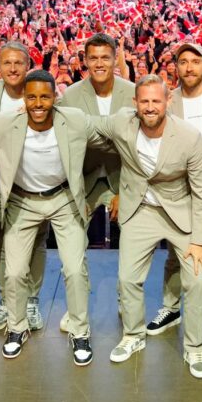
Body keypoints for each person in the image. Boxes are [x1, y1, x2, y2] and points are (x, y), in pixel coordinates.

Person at [91, 75, 202, 378]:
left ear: (168, 102)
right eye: (144, 101)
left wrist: (199, 240)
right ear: (135, 103)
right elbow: (88, 124)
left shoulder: (188, 136)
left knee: (196, 281)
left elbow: (201, 191)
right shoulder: (122, 122)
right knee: (128, 278)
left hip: (180, 211)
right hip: (140, 209)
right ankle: (133, 336)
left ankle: (194, 347)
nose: (150, 107)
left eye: (156, 101)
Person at [0, 70, 101, 365]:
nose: (38, 103)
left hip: (63, 200)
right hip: (22, 201)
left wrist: (96, 188)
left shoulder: (73, 119)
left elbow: (110, 134)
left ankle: (79, 330)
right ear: (23, 97)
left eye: (44, 96)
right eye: (31, 96)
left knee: (74, 269)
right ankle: (16, 327)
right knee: (15, 271)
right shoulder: (5, 123)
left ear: (54, 98)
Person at [148, 41, 202, 336]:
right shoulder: (168, 100)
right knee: (177, 251)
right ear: (176, 67)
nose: (189, 67)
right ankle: (171, 307)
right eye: (183, 61)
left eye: (195, 61)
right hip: (179, 189)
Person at [0, 42, 47, 334]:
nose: (13, 69)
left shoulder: (39, 91)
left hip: (32, 177)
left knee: (36, 242)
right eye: (7, 63)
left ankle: (31, 299)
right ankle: (6, 299)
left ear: (28, 65)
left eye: (19, 63)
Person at [56, 32, 135, 252]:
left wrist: (125, 191)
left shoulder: (132, 93)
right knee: (72, 250)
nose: (99, 64)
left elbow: (138, 146)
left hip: (122, 179)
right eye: (93, 58)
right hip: (83, 182)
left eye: (105, 58)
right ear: (85, 61)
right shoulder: (70, 96)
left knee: (131, 248)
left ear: (114, 59)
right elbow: (67, 142)